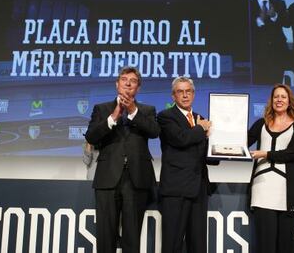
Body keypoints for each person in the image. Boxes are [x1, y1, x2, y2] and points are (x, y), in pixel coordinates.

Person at [85, 66, 160, 253]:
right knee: (105, 235)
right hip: (107, 178)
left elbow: (154, 132)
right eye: (124, 79)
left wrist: (133, 111)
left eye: (133, 81)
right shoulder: (101, 109)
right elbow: (91, 137)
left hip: (136, 179)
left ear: (138, 88)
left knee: (132, 237)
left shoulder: (147, 110)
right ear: (117, 84)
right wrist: (113, 117)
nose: (128, 83)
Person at [158, 76, 216, 253]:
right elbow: (180, 139)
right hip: (176, 190)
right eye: (180, 92)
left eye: (188, 91)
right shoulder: (165, 117)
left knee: (198, 245)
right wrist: (201, 129)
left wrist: (220, 150)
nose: (185, 95)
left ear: (194, 94)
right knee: (172, 243)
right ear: (173, 96)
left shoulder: (201, 119)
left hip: (198, 189)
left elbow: (208, 156)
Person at [247, 84, 294, 253]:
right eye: (276, 97)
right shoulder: (261, 124)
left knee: (286, 246)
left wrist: (266, 153)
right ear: (271, 101)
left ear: (290, 101)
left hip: (287, 192)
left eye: (283, 97)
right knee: (265, 245)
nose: (279, 100)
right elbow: (242, 143)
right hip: (262, 189)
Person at [249, 0, 290, 85]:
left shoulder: (279, 3)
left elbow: (287, 23)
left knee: (276, 85)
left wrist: (274, 16)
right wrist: (259, 20)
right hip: (258, 51)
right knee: (259, 85)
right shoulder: (248, 3)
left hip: (278, 51)